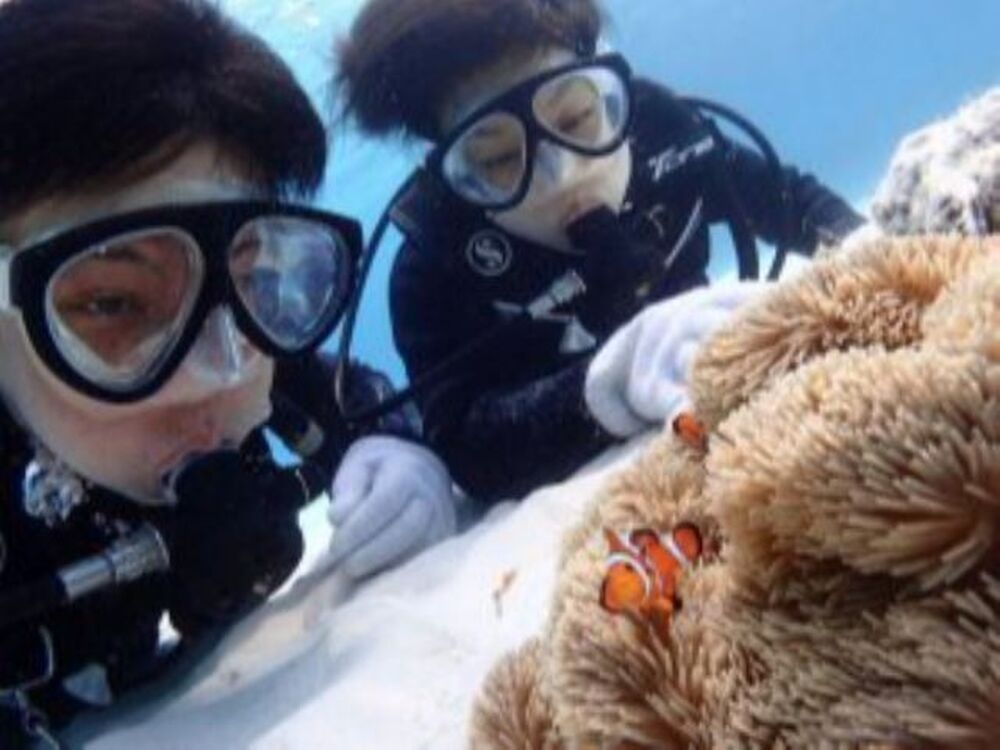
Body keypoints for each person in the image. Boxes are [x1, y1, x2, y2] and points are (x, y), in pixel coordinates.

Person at [0, 0, 456, 745]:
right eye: (113, 302)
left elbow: (365, 405)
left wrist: (397, 446)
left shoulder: (245, 336)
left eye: (250, 278)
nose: (221, 370)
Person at [334, 0, 866, 503]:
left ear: (611, 95)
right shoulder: (435, 266)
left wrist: (869, 250)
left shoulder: (661, 127)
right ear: (450, 176)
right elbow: (466, 444)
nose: (561, 174)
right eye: (497, 158)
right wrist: (601, 389)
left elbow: (790, 200)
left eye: (574, 119)